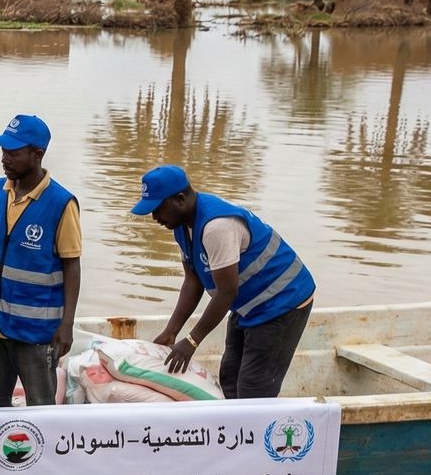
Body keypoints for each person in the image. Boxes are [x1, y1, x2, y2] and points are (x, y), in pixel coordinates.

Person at [133, 165, 317, 399]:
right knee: (229, 376)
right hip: (247, 305)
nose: (155, 218)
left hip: (283, 300)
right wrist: (171, 332)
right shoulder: (181, 227)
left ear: (180, 199)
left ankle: (253, 432)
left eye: (158, 209)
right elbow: (193, 282)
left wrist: (191, 341)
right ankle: (234, 431)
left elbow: (226, 292)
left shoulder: (216, 227)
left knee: (254, 388)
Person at [0, 116, 82, 407]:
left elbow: (72, 265)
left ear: (38, 154)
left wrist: (67, 323)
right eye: (3, 151)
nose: (5, 159)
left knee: (40, 405)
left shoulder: (61, 203)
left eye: (13, 152)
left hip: (36, 331)